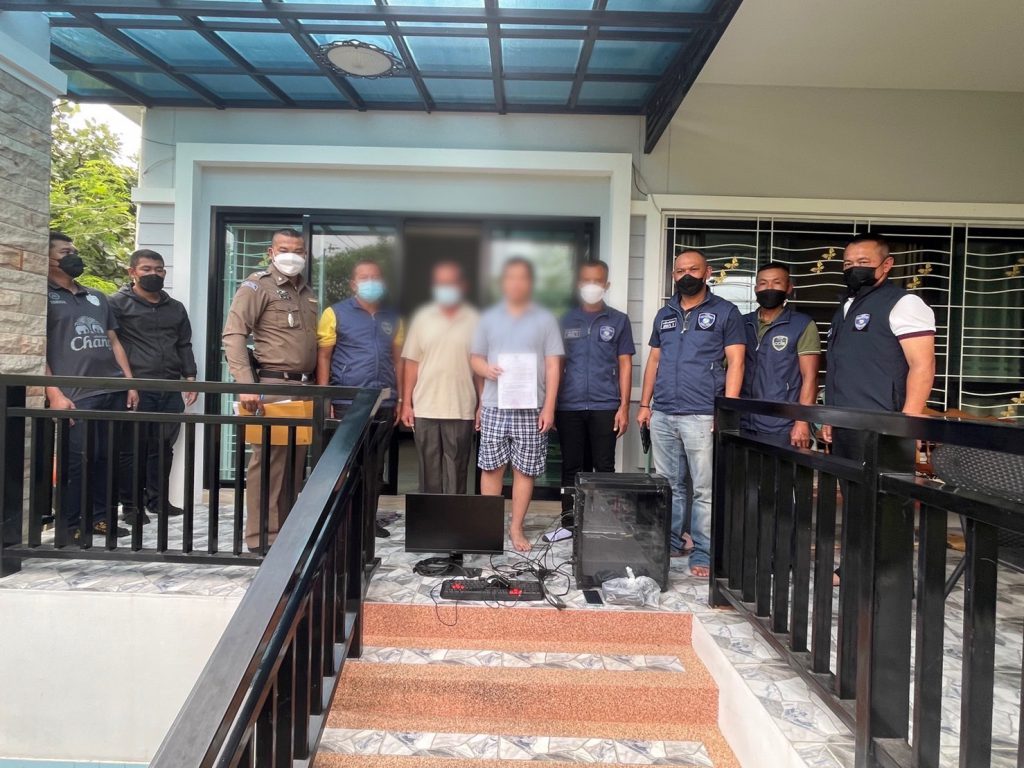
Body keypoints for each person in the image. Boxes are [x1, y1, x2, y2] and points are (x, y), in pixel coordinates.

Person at [822, 233, 936, 585]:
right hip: (846, 421)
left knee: (886, 503)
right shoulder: (846, 307)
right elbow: (839, 368)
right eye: (848, 263)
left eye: (863, 262)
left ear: (886, 265)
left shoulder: (904, 303)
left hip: (885, 425)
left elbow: (922, 365)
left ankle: (892, 580)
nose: (853, 269)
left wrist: (908, 421)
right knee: (854, 498)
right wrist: (828, 416)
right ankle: (854, 567)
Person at [637, 248, 745, 578]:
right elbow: (654, 361)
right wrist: (644, 405)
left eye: (693, 269)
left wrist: (726, 411)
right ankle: (671, 541)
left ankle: (703, 551)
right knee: (669, 485)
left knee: (704, 489)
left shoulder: (726, 312)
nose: (686, 275)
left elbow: (737, 362)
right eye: (680, 270)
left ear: (707, 272)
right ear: (673, 275)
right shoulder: (664, 314)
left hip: (702, 413)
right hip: (664, 412)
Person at [223, 229, 318, 552]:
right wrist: (245, 384)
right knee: (269, 465)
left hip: (304, 387)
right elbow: (234, 334)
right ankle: (262, 538)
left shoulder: (306, 291)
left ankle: (286, 535)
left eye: (298, 250)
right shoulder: (257, 286)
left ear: (305, 254)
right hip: (273, 385)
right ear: (271, 252)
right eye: (284, 248)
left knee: (293, 465)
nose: (292, 255)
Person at [45, 231, 137, 541]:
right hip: (75, 394)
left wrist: (129, 383)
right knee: (76, 461)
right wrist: (54, 393)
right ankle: (69, 526)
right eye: (65, 252)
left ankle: (100, 518)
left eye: (74, 250)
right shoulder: (42, 296)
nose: (73, 256)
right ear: (47, 258)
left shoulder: (96, 296)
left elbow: (114, 340)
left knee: (105, 459)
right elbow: (38, 348)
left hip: (112, 389)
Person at [471, 257, 564, 552]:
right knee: (491, 468)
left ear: (530, 282)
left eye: (522, 277)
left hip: (531, 407)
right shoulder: (488, 318)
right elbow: (475, 358)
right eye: (510, 277)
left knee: (525, 470)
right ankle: (489, 527)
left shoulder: (545, 319)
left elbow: (553, 365)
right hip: (494, 405)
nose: (516, 283)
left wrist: (549, 407)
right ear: (503, 282)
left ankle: (516, 527)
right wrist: (486, 370)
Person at [548, 260, 635, 541]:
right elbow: (556, 365)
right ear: (578, 284)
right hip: (569, 405)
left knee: (604, 468)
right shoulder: (564, 320)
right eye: (586, 280)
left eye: (597, 281)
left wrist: (624, 407)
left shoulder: (619, 320)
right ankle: (569, 523)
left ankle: (602, 523)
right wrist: (552, 404)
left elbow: (625, 364)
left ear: (606, 285)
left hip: (605, 405)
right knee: (571, 466)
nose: (591, 286)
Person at [316, 259, 404, 538]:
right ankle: (342, 521)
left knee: (375, 466)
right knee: (345, 464)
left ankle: (368, 523)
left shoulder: (393, 318)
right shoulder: (335, 313)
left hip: (384, 401)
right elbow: (324, 357)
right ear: (353, 284)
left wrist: (400, 399)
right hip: (347, 402)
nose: (370, 282)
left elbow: (399, 360)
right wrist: (325, 397)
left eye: (375, 277)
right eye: (364, 278)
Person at [110, 249, 198, 526]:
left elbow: (183, 344)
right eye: (146, 269)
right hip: (136, 386)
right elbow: (112, 344)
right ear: (132, 272)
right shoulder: (116, 304)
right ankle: (131, 506)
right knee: (131, 448)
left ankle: (158, 501)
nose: (154, 274)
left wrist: (190, 377)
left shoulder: (175, 307)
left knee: (163, 446)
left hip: (169, 386)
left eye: (159, 269)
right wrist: (127, 383)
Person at [400, 262, 480, 495]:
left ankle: (454, 517)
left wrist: (482, 405)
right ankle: (430, 517)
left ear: (463, 285)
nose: (446, 288)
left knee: (457, 471)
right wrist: (406, 403)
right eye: (440, 283)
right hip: (425, 406)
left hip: (461, 407)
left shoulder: (476, 320)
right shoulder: (422, 318)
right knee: (428, 472)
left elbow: (479, 366)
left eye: (451, 282)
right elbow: (411, 363)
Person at [740, 262, 821, 448]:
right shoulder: (742, 323)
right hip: (742, 420)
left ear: (789, 288)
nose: (769, 288)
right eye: (763, 283)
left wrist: (802, 421)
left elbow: (810, 377)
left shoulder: (802, 324)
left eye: (776, 282)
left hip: (782, 424)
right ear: (755, 289)